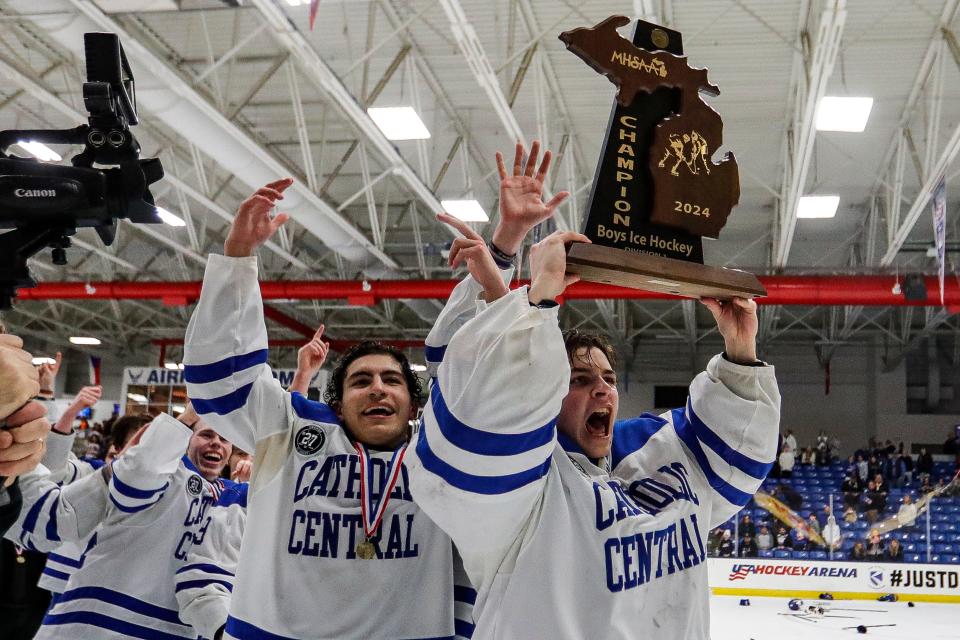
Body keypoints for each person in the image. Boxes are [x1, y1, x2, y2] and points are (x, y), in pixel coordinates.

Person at [407, 211, 780, 638]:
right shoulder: (522, 495)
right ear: (544, 392)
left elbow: (739, 458)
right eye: (579, 380)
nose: (602, 390)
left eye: (608, 379)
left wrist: (739, 350)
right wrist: (538, 298)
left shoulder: (656, 457)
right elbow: (483, 416)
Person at [34, 405, 234, 639]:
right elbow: (136, 477)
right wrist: (186, 418)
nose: (216, 443)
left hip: (169, 628)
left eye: (225, 439)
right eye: (206, 434)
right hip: (98, 622)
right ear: (185, 439)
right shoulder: (159, 476)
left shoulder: (231, 498)